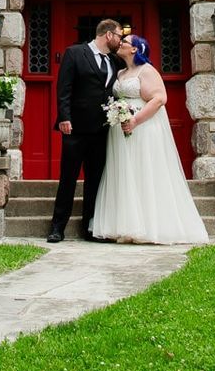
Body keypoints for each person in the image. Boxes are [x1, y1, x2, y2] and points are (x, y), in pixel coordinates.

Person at [88, 33, 208, 244]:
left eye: (125, 42)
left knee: (144, 171)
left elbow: (160, 98)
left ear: (135, 49)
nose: (121, 44)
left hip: (143, 127)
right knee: (125, 173)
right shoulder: (121, 72)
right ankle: (126, 225)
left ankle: (151, 225)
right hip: (120, 128)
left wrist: (135, 120)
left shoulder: (147, 70)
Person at [49, 18, 123, 243]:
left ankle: (89, 227)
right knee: (68, 178)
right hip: (76, 129)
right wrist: (64, 118)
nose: (121, 41)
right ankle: (57, 228)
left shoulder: (114, 61)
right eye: (119, 35)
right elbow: (64, 89)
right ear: (108, 34)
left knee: (95, 180)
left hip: (102, 130)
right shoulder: (74, 53)